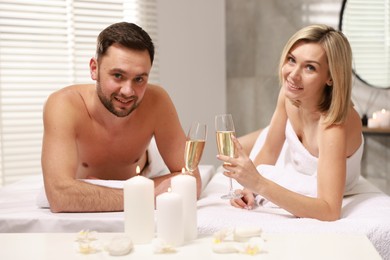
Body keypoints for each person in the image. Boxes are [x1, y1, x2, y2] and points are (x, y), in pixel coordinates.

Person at [41, 22, 201, 213]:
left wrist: (108, 193)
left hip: (147, 171)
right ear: (94, 69)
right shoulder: (64, 105)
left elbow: (191, 179)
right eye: (118, 75)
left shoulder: (157, 101)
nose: (128, 91)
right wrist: (144, 195)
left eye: (139, 79)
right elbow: (60, 197)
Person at [217, 24, 363, 221]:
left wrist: (258, 183)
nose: (293, 75)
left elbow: (329, 210)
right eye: (292, 60)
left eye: (310, 67)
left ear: (330, 77)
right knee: (232, 151)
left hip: (302, 158)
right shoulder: (288, 98)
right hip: (286, 149)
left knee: (250, 163)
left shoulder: (333, 125)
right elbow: (269, 150)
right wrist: (248, 188)